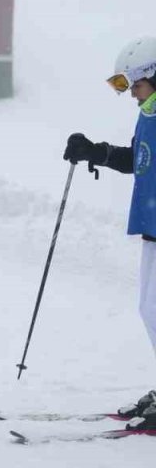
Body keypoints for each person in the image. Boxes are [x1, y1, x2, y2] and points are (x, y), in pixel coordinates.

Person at [63, 36, 156, 430]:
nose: (131, 94)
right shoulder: (148, 114)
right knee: (150, 311)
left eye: (136, 85)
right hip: (152, 227)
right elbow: (138, 160)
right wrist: (96, 152)